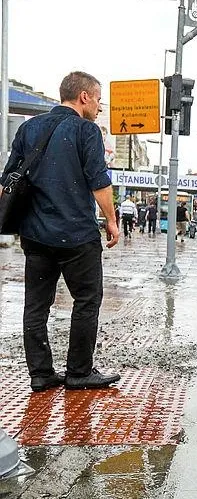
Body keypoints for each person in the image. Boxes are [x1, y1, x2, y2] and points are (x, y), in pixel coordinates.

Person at [0, 71, 121, 391]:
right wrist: (111, 219)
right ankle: (79, 372)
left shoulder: (29, 128)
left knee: (36, 305)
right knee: (86, 300)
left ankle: (40, 374)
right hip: (77, 236)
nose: (98, 106)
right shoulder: (86, 131)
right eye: (97, 99)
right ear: (83, 97)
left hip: (35, 235)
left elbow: (8, 180)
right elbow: (99, 180)